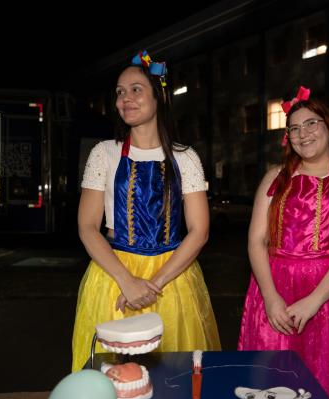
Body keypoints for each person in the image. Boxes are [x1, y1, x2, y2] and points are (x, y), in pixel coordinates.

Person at [71, 50, 221, 372]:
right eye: (120, 92)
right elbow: (87, 226)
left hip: (172, 277)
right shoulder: (104, 153)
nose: (125, 99)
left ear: (158, 97)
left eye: (135, 89)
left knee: (174, 375)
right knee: (114, 376)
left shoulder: (185, 157)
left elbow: (199, 231)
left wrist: (155, 283)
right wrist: (127, 281)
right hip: (114, 275)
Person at [238, 87, 329, 399]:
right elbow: (256, 241)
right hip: (274, 290)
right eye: (294, 128)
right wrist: (270, 298)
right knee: (271, 381)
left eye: (311, 123)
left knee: (325, 382)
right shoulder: (274, 178)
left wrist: (314, 300)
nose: (303, 133)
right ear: (288, 138)